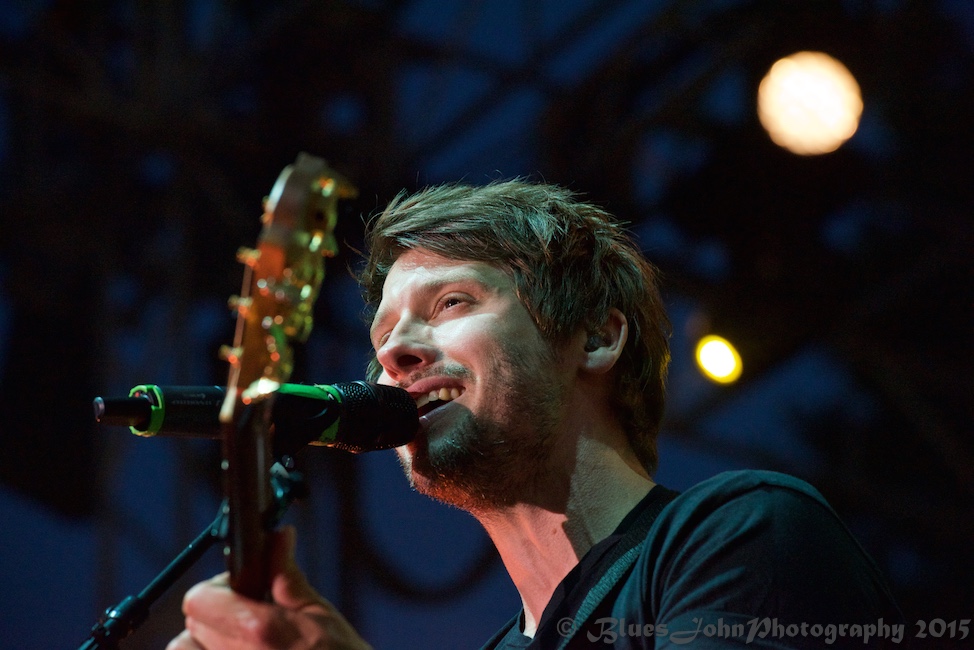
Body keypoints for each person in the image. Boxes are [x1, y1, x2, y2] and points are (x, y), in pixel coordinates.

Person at [168, 181, 902, 650]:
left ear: (597, 336)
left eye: (451, 304)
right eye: (382, 335)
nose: (394, 355)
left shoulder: (741, 535)